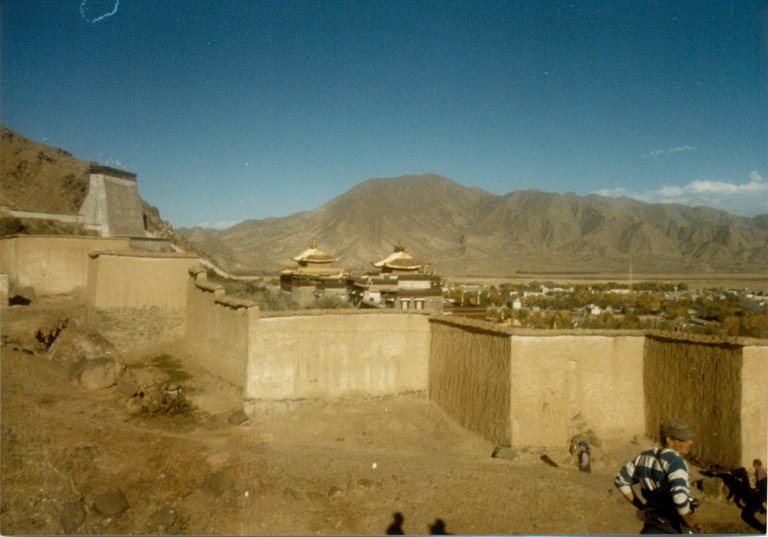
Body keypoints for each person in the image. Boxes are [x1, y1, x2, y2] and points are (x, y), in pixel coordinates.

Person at [614, 418, 698, 534]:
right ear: (670, 440)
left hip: (651, 521)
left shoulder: (644, 457)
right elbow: (679, 497)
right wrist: (689, 521)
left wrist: (640, 506)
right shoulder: (676, 462)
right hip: (672, 523)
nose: (690, 442)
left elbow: (620, 480)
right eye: (684, 439)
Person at [740, 459, 767, 533]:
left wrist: (755, 489)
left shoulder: (759, 471)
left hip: (761, 496)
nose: (753, 465)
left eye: (754, 464)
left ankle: (763, 529)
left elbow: (762, 484)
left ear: (757, 464)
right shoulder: (760, 470)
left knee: (745, 515)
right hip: (762, 494)